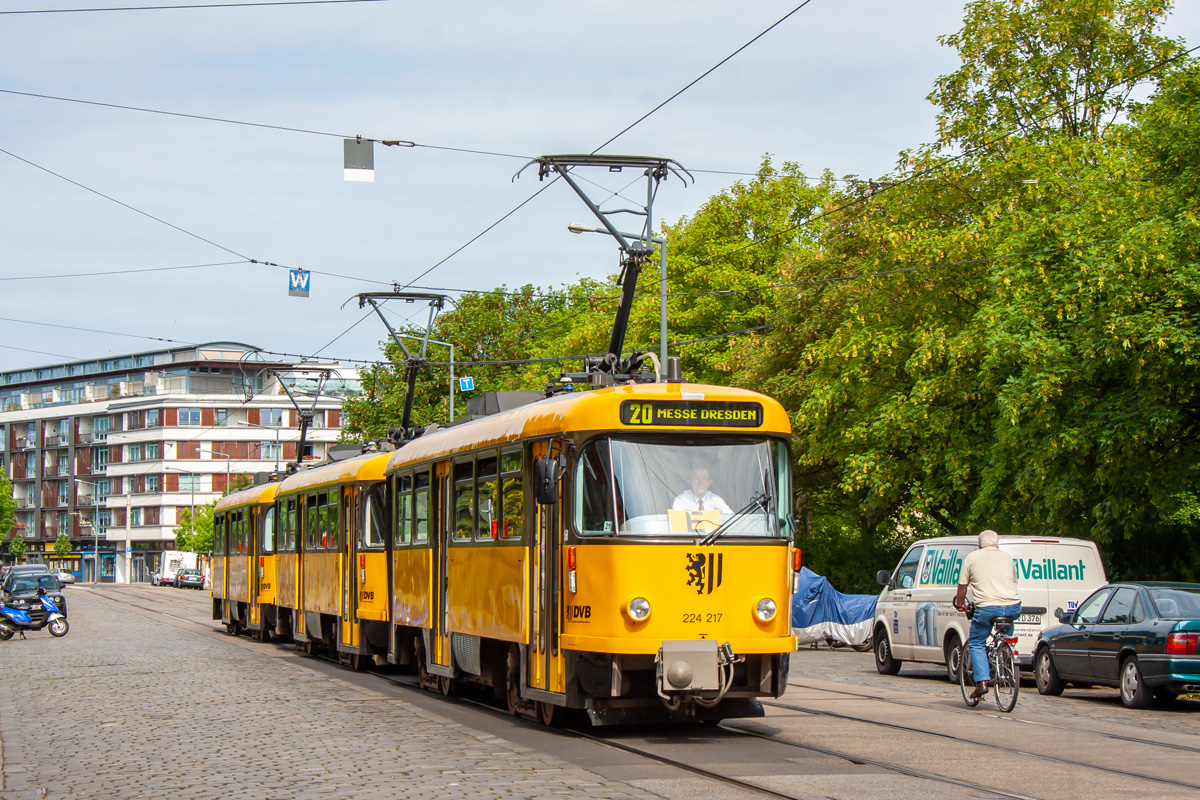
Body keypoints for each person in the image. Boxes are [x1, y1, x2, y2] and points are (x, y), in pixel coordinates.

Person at [953, 529, 1022, 700]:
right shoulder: (1007, 557)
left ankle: (982, 682)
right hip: (1013, 606)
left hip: (987, 608)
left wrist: (960, 603)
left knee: (976, 642)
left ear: (980, 544)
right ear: (996, 543)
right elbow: (1014, 581)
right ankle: (1006, 653)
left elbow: (962, 586)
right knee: (1007, 631)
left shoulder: (972, 558)